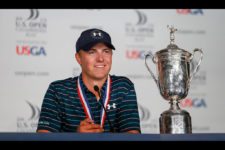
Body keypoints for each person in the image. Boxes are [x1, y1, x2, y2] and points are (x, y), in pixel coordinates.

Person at [36, 28, 141, 133]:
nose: (100, 59)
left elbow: (132, 135)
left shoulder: (124, 87)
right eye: (92, 52)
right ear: (78, 58)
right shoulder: (58, 90)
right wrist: (76, 138)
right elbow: (43, 136)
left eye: (106, 51)